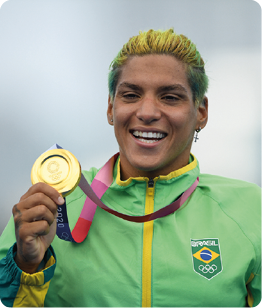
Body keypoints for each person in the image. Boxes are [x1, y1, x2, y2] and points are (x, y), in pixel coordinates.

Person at [0, 28, 262, 308]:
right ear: (111, 107)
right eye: (131, 95)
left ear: (201, 112)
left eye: (170, 97)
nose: (147, 112)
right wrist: (27, 265)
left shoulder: (250, 209)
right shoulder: (52, 205)